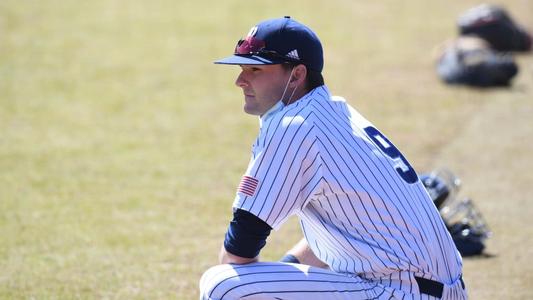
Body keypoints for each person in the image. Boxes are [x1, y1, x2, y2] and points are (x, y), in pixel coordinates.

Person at [200, 16, 467, 300]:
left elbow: (236, 255)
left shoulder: (294, 125)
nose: (240, 81)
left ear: (297, 74)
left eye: (255, 69)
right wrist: (283, 282)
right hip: (428, 289)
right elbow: (344, 231)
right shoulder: (335, 114)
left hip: (400, 292)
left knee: (224, 285)